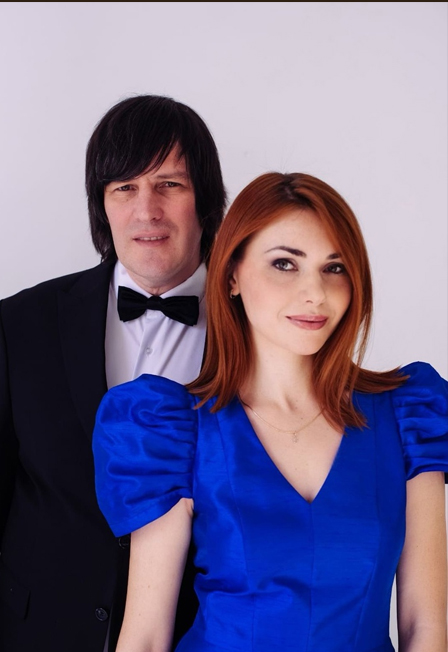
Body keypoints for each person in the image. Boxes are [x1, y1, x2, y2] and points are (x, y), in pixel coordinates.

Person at [93, 171, 448, 652]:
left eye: (334, 267)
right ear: (232, 275)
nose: (315, 292)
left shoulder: (408, 417)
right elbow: (147, 637)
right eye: (285, 264)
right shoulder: (176, 430)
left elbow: (426, 627)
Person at [0, 94, 226, 652]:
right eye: (124, 187)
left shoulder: (262, 328)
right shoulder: (19, 322)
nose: (147, 210)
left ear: (205, 200)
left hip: (196, 636)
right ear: (101, 205)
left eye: (170, 184)